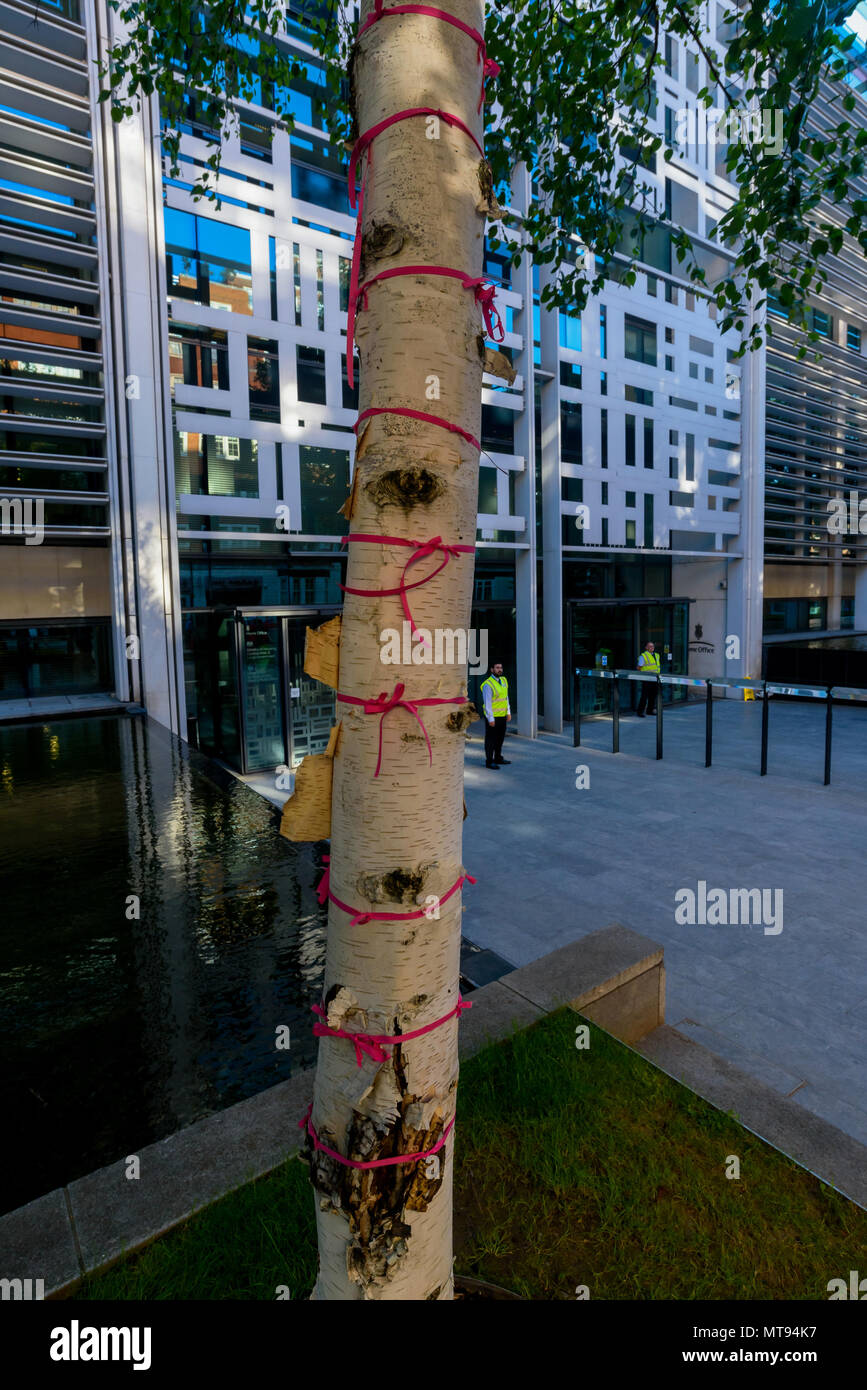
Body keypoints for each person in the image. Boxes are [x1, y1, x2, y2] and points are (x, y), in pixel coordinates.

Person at [480, 661, 511, 768]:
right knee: (490, 739)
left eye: (501, 667)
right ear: (492, 670)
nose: (500, 669)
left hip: (502, 715)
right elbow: (487, 703)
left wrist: (508, 712)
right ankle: (489, 761)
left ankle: (498, 758)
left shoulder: (504, 680)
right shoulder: (488, 685)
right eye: (497, 667)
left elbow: (506, 698)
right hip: (493, 717)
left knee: (500, 738)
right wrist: (490, 719)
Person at [635, 641, 660, 717]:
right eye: (649, 646)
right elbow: (639, 667)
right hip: (646, 679)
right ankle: (640, 712)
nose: (651, 648)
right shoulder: (643, 656)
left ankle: (650, 710)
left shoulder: (657, 655)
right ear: (646, 648)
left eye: (652, 646)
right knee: (644, 696)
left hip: (655, 678)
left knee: (653, 696)